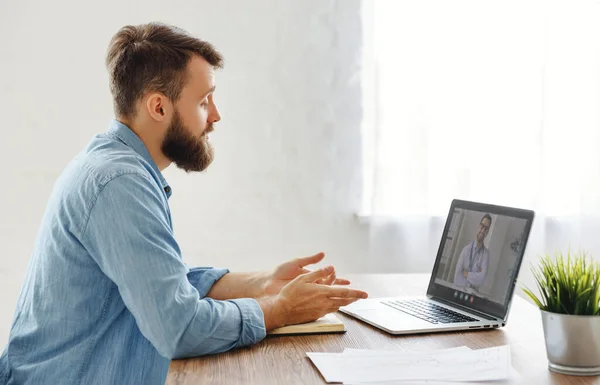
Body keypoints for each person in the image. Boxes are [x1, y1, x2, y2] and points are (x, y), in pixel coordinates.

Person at [0, 22, 368, 385]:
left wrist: (263, 282)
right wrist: (279, 309)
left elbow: (157, 280)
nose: (216, 115)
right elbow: (178, 328)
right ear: (158, 107)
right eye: (204, 101)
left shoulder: (114, 166)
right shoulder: (120, 182)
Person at [453, 213, 492, 291]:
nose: (483, 230)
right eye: (482, 226)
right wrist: (474, 278)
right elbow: (457, 277)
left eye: (486, 228)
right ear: (478, 226)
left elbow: (482, 279)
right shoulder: (465, 250)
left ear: (487, 232)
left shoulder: (486, 254)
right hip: (458, 290)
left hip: (473, 295)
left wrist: (466, 274)